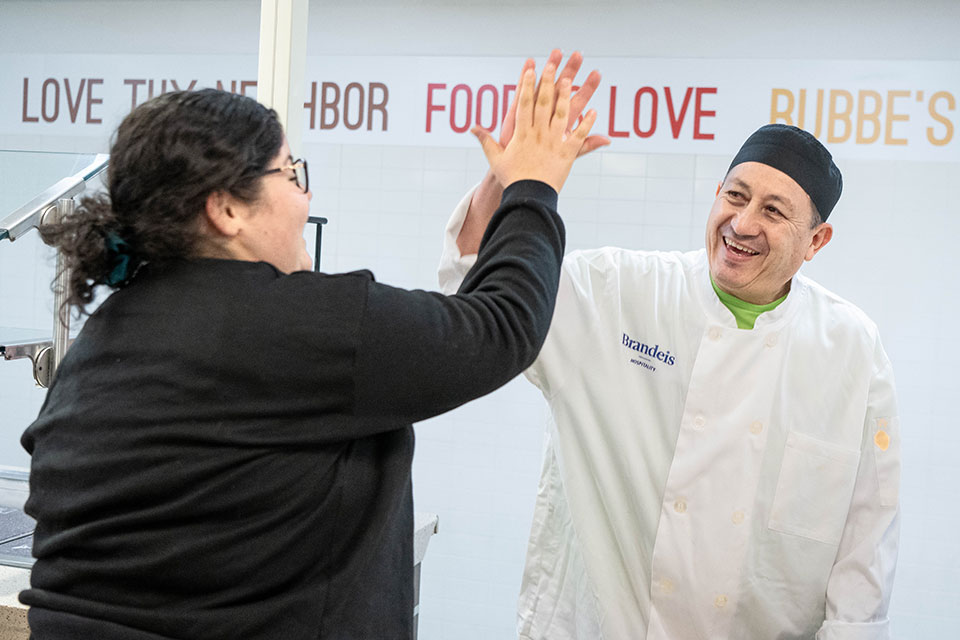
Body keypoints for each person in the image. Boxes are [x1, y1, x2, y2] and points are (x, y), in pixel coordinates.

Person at [20, 61, 598, 640]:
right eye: (291, 175)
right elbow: (501, 327)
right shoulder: (293, 325)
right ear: (226, 209)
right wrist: (535, 186)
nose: (306, 194)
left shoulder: (107, 335)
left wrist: (500, 187)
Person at [440, 54, 900, 640]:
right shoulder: (615, 292)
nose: (742, 222)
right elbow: (472, 298)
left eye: (774, 211)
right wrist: (507, 179)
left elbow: (867, 539)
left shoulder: (852, 350)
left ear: (817, 241)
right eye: (735, 196)